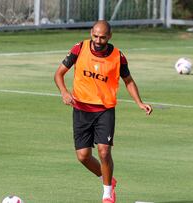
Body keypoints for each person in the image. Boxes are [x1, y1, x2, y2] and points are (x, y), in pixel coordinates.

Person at [54, 20, 152, 203]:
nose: (98, 40)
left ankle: (107, 194)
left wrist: (139, 102)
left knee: (104, 151)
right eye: (95, 36)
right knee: (83, 156)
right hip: (81, 109)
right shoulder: (79, 49)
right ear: (91, 32)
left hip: (104, 110)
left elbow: (128, 81)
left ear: (110, 36)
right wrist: (64, 92)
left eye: (103, 37)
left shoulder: (118, 56)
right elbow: (58, 74)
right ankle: (107, 179)